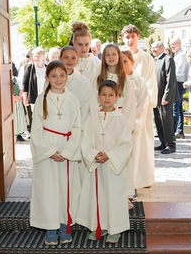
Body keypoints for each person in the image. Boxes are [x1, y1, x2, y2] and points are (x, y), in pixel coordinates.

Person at [29, 60, 81, 246]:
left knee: (66, 189)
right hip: (47, 150)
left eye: (62, 75)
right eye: (54, 76)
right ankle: (50, 227)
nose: (58, 79)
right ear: (47, 78)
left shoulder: (73, 99)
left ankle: (64, 225)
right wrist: (49, 151)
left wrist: (67, 151)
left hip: (67, 149)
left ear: (67, 76)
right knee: (48, 190)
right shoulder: (41, 98)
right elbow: (35, 130)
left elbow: (77, 127)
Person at [76, 80, 133, 244]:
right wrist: (93, 154)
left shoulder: (121, 120)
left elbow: (126, 144)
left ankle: (115, 229)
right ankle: (96, 226)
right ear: (98, 97)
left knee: (113, 196)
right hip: (95, 164)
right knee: (96, 196)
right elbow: (85, 139)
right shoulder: (92, 117)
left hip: (113, 165)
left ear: (116, 97)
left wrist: (109, 155)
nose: (107, 98)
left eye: (111, 95)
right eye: (103, 95)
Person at [121, 24, 157, 188]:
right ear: (123, 38)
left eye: (132, 37)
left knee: (143, 143)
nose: (130, 40)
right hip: (124, 106)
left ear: (138, 37)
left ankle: (144, 178)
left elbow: (150, 81)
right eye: (127, 37)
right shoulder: (120, 53)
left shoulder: (146, 57)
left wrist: (147, 103)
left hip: (142, 104)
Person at [60, 45, 93, 180]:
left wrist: (80, 127)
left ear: (77, 59)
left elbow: (87, 107)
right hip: (58, 130)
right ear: (60, 58)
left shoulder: (83, 82)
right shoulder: (52, 80)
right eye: (66, 57)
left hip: (78, 129)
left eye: (73, 57)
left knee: (77, 173)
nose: (69, 60)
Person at [121, 47, 149, 201]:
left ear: (132, 62)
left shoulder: (139, 81)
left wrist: (135, 123)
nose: (123, 65)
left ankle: (133, 186)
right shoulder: (117, 79)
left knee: (134, 156)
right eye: (121, 62)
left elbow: (143, 103)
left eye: (125, 61)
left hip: (134, 125)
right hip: (120, 123)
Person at [96, 43, 136, 131]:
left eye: (114, 54)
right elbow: (93, 101)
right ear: (104, 58)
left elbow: (129, 105)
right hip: (101, 120)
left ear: (119, 56)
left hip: (119, 121)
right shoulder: (99, 78)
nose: (111, 57)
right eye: (108, 55)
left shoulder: (125, 80)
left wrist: (127, 127)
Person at [152, 41, 179, 154]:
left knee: (166, 120)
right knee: (158, 120)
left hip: (164, 96)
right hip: (156, 96)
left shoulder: (168, 59)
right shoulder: (156, 60)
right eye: (152, 47)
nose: (153, 49)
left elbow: (170, 79)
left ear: (162, 48)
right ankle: (163, 142)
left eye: (155, 47)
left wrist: (166, 96)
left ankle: (170, 144)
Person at [170, 37, 190, 139]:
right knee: (178, 108)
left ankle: (174, 131)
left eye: (173, 44)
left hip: (178, 82)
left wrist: (172, 81)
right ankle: (179, 130)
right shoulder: (178, 54)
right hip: (179, 82)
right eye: (171, 45)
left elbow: (179, 70)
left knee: (175, 107)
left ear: (179, 43)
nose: (172, 46)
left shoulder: (181, 55)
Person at [70, 21, 101, 87]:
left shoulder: (98, 64)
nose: (84, 48)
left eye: (86, 44)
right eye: (80, 44)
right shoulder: (67, 63)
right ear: (73, 43)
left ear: (90, 43)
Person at [22, 46, 47, 120]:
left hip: (46, 96)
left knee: (46, 116)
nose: (37, 58)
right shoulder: (30, 67)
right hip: (34, 96)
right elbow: (25, 82)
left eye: (39, 56)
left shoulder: (47, 67)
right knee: (36, 116)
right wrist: (25, 97)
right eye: (35, 56)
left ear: (43, 57)